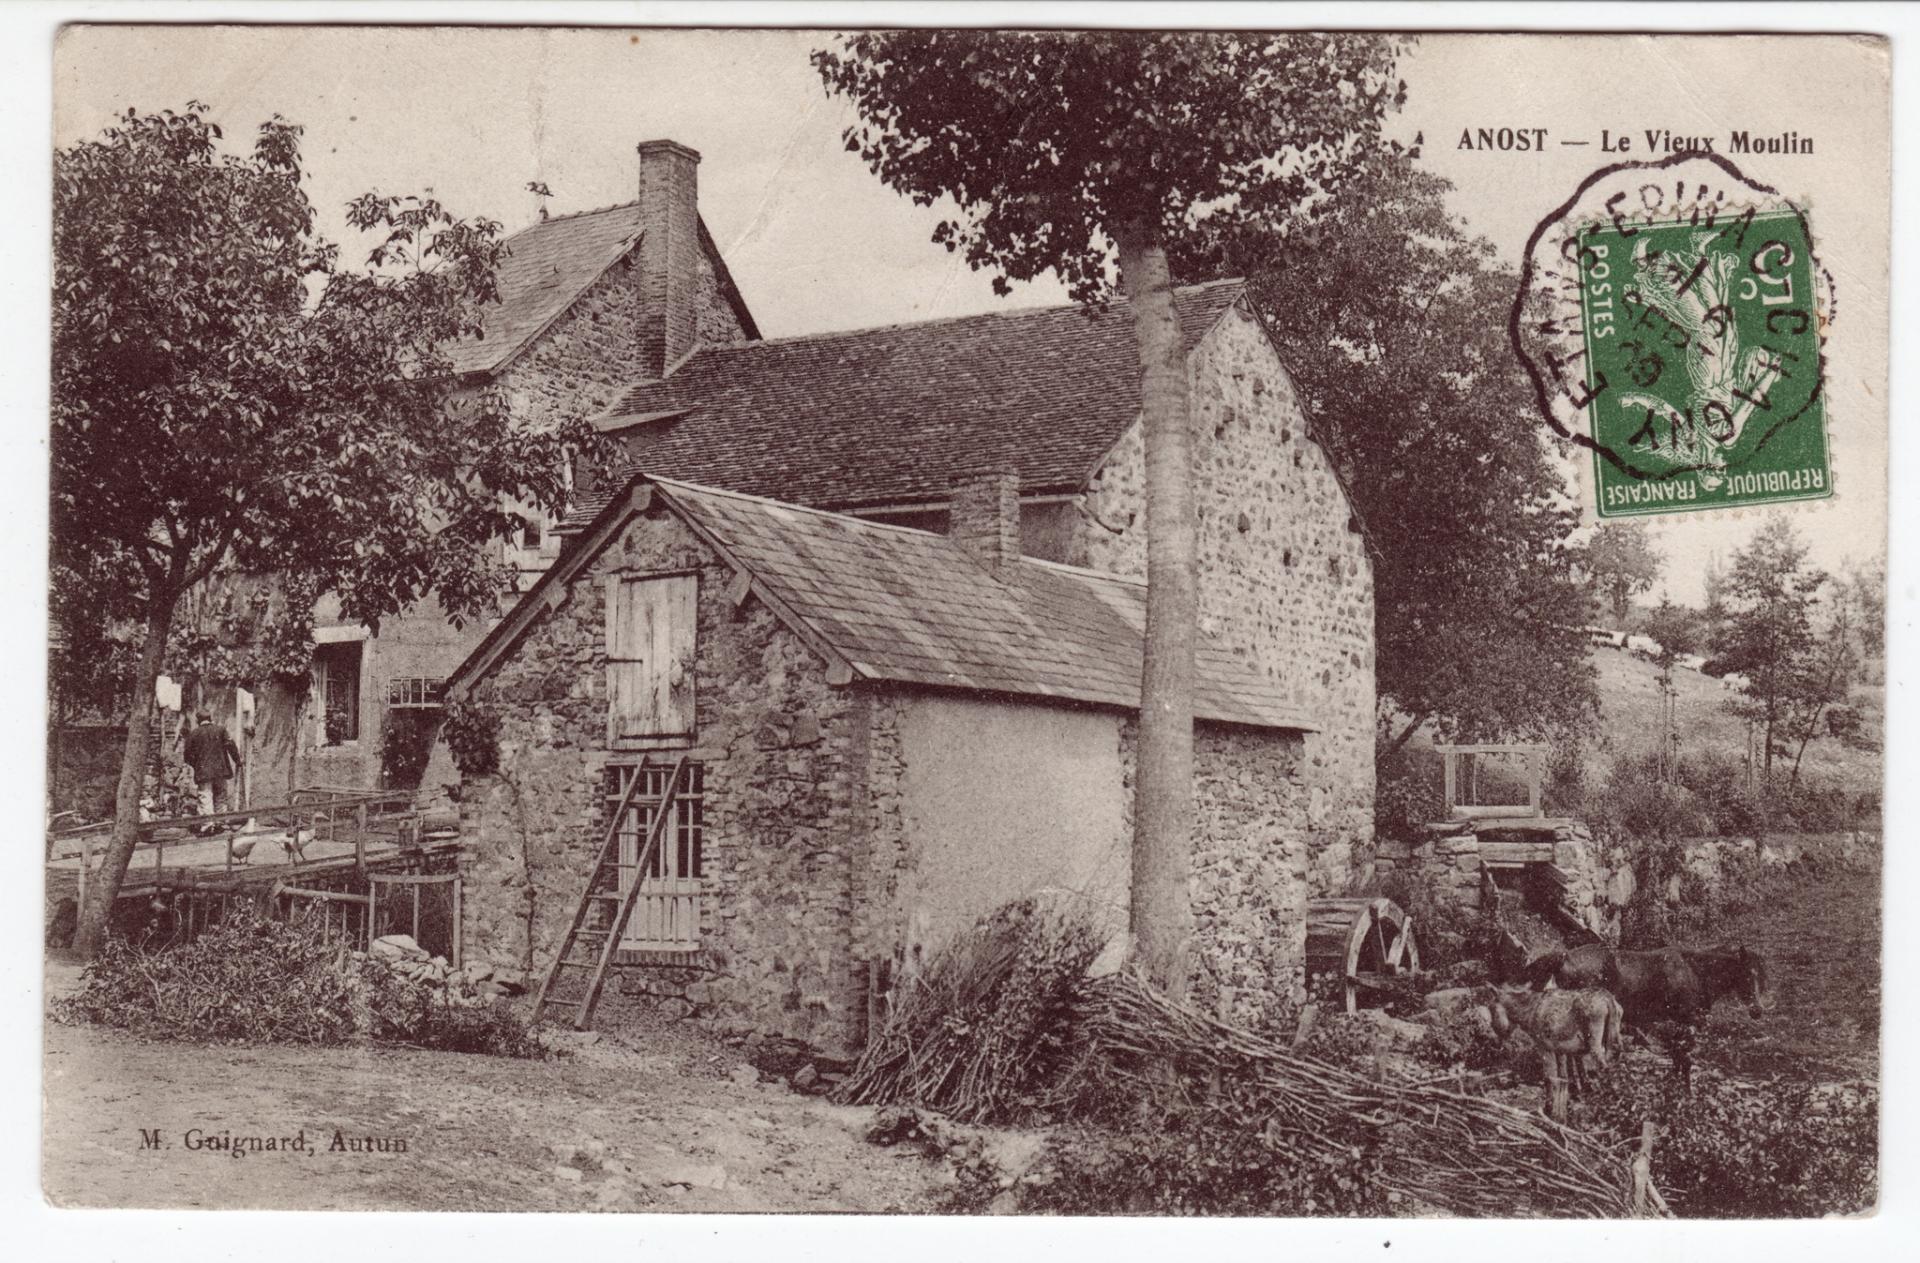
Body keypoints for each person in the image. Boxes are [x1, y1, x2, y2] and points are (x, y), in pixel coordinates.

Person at [182, 711, 241, 820]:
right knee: (221, 796)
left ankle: (208, 824)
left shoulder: (193, 734)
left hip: (203, 771)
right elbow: (231, 745)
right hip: (220, 770)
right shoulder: (221, 730)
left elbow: (187, 756)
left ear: (198, 720)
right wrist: (237, 760)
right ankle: (221, 820)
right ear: (210, 718)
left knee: (205, 797)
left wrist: (196, 765)